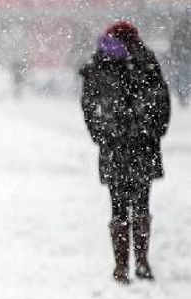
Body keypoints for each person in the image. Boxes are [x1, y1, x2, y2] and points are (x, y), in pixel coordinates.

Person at [80, 21, 170, 284]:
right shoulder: (146, 62)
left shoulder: (100, 64)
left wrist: (102, 134)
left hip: (115, 147)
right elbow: (161, 101)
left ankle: (121, 266)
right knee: (142, 203)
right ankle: (141, 262)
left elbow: (89, 105)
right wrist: (153, 130)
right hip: (143, 145)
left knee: (118, 206)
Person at [169, 17, 191, 107]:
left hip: (181, 60)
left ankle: (182, 96)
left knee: (180, 79)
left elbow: (174, 45)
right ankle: (185, 95)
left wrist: (174, 55)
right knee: (186, 78)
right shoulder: (186, 33)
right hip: (186, 59)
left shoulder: (179, 32)